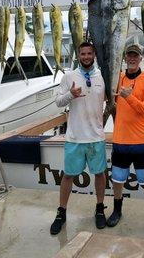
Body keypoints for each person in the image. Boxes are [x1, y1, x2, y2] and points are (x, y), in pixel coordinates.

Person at [106, 44, 144, 236]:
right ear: (125, 58)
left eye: (135, 56)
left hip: (143, 140)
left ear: (140, 59)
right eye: (129, 56)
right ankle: (117, 210)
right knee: (117, 179)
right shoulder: (118, 79)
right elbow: (108, 100)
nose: (132, 59)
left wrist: (129, 97)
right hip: (121, 140)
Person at [50, 41, 107, 235]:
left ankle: (100, 208)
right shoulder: (69, 77)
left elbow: (109, 101)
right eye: (82, 54)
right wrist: (70, 95)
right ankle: (61, 212)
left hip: (96, 137)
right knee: (68, 176)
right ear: (79, 55)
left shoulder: (102, 76)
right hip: (74, 137)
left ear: (94, 55)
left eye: (89, 53)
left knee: (99, 174)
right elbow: (58, 101)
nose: (86, 57)